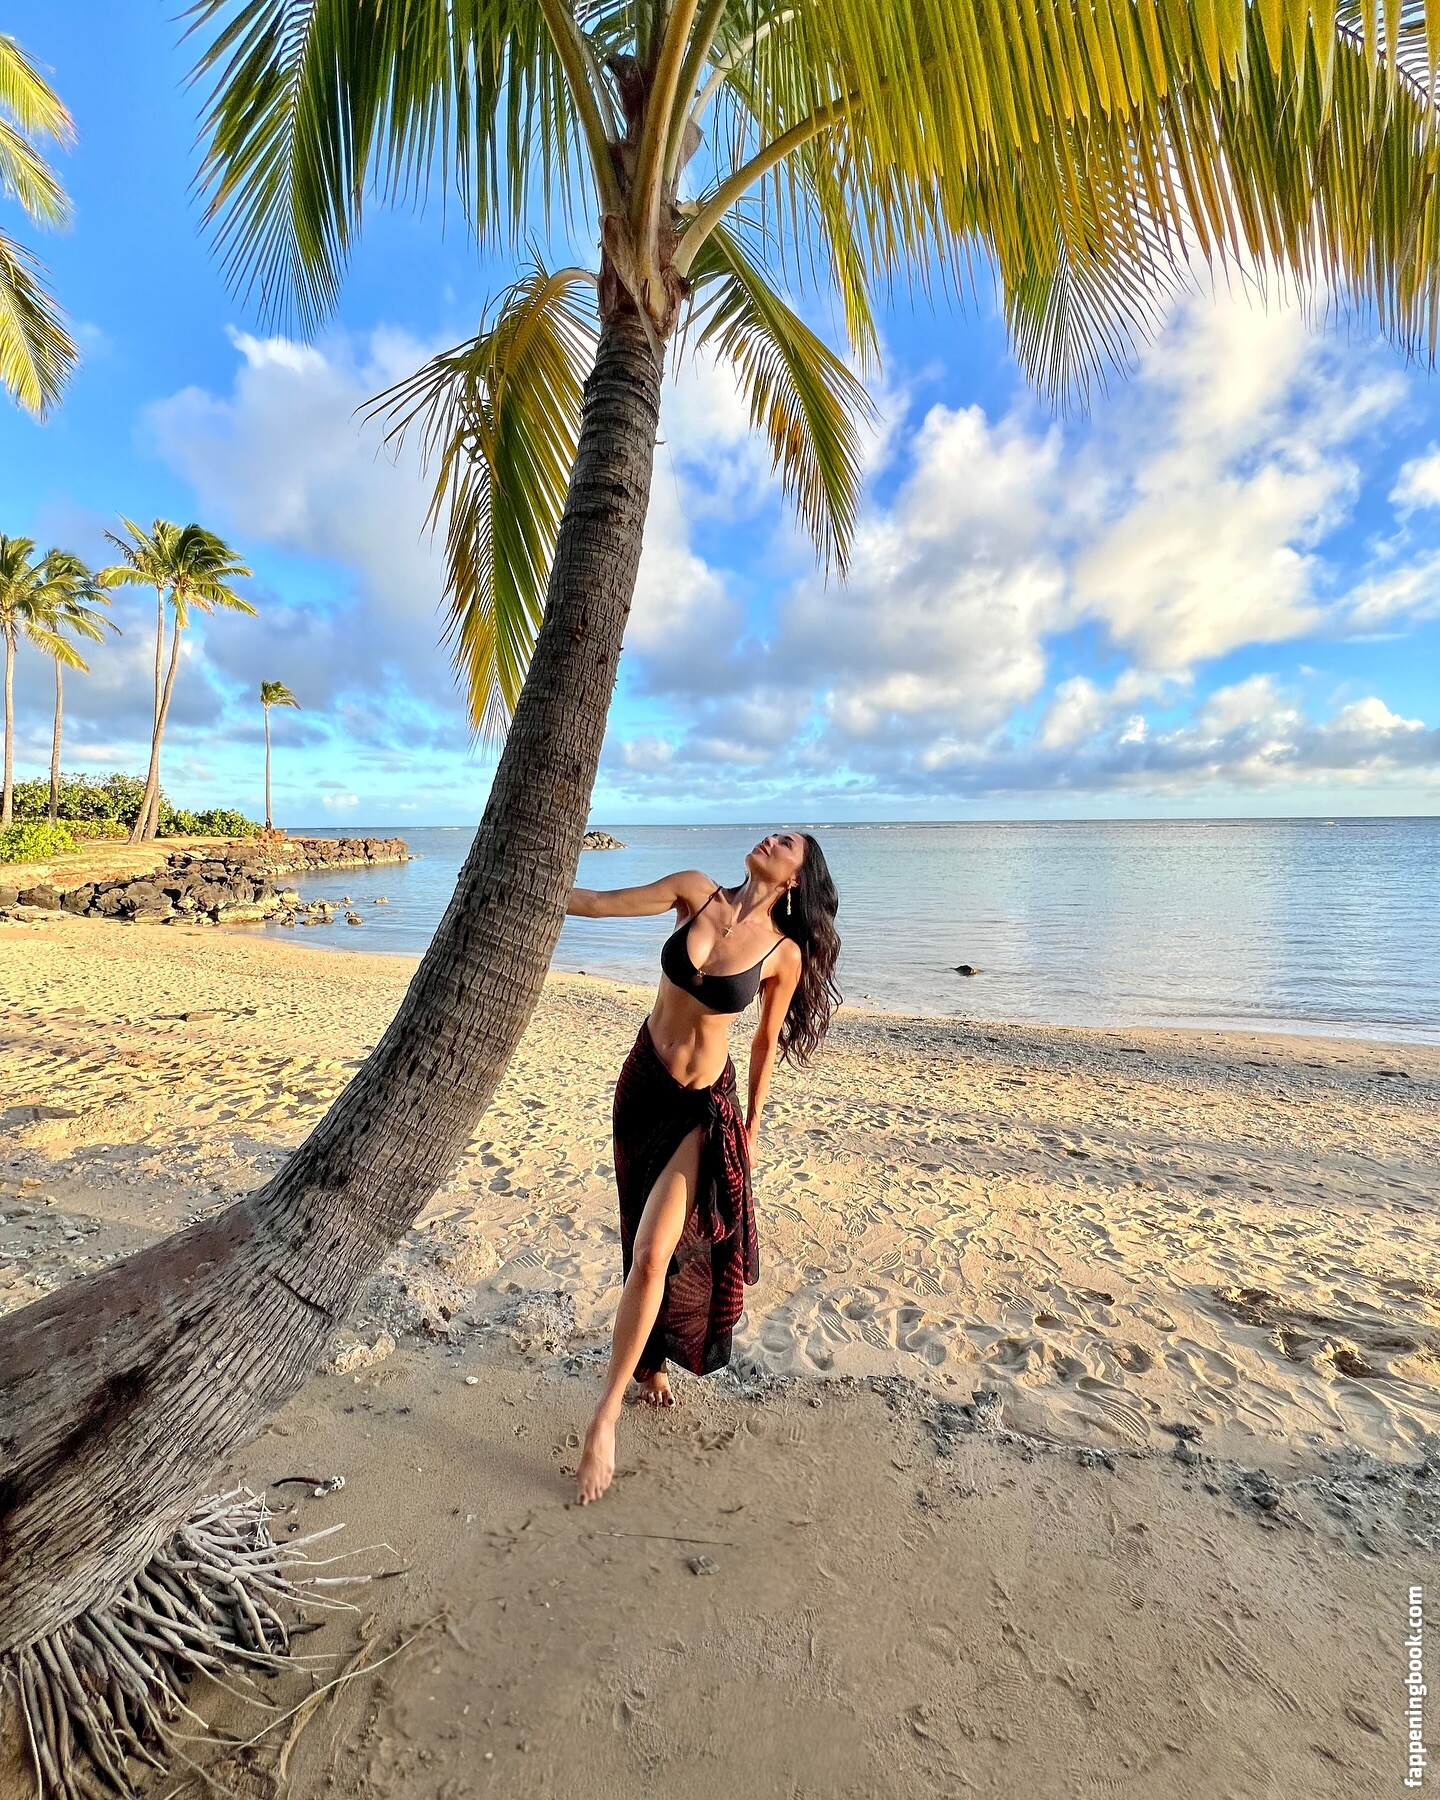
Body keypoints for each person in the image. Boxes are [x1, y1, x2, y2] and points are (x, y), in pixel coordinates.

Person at [564, 830, 842, 1504]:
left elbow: (764, 1044)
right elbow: (598, 902)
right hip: (642, 1087)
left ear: (797, 879)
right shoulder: (694, 891)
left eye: (787, 843)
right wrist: (523, 888)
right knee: (637, 1231)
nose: (771, 838)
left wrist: (751, 1127)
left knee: (656, 1254)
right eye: (774, 831)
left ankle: (605, 1420)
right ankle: (650, 1361)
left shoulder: (783, 954)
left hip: (700, 1107)